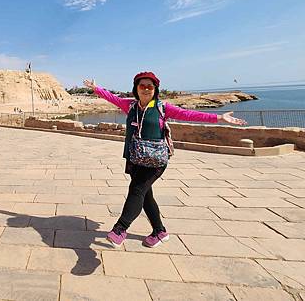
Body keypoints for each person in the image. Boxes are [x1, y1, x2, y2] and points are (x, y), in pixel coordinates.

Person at [83, 71, 246, 248]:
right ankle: (160, 231)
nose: (145, 89)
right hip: (135, 159)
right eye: (142, 86)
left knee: (137, 190)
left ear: (155, 89)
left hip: (156, 161)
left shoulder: (162, 107)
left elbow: (188, 114)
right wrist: (95, 89)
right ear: (136, 88)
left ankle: (120, 229)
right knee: (145, 196)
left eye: (149, 86)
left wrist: (219, 117)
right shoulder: (130, 106)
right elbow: (111, 98)